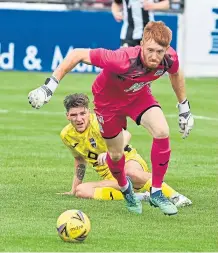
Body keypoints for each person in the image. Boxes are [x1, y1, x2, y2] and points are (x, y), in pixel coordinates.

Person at [28, 21, 194, 216]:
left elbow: (176, 74)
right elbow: (77, 54)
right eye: (150, 50)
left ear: (166, 49)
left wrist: (184, 107)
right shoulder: (122, 59)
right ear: (141, 44)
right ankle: (126, 190)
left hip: (138, 96)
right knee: (115, 156)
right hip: (108, 104)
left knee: (162, 131)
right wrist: (49, 87)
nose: (155, 56)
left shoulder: (169, 58)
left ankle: (156, 191)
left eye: (160, 51)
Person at [59, 93, 192, 208]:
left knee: (131, 173)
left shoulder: (99, 122)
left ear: (89, 112)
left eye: (82, 113)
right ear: (67, 116)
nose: (79, 119)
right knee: (81, 191)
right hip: (112, 177)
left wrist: (112, 153)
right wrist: (73, 189)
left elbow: (126, 135)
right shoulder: (66, 135)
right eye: (74, 115)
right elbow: (80, 159)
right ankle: (141, 197)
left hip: (128, 161)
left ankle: (175, 196)